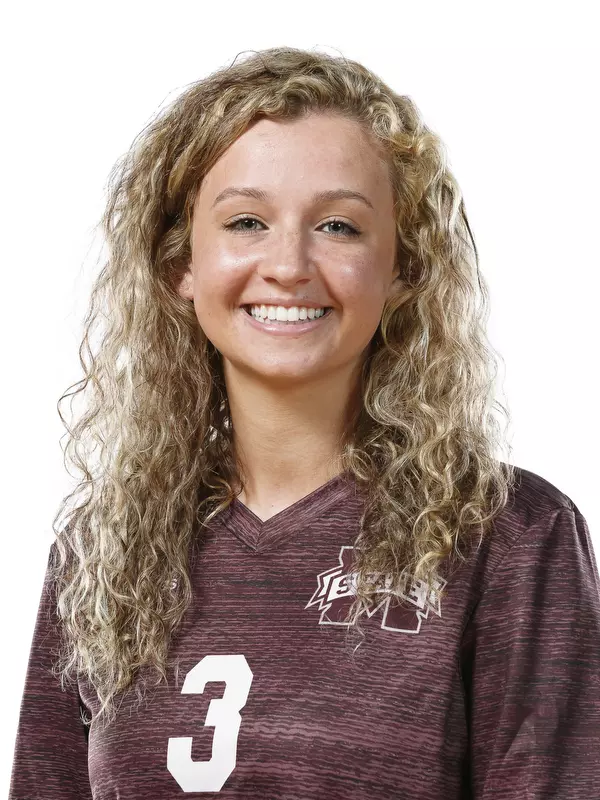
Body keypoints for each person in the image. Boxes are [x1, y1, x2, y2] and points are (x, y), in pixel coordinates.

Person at [8, 46, 600, 799]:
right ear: (179, 263)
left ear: (404, 269)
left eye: (339, 227)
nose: (288, 264)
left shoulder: (508, 533)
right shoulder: (103, 549)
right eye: (247, 221)